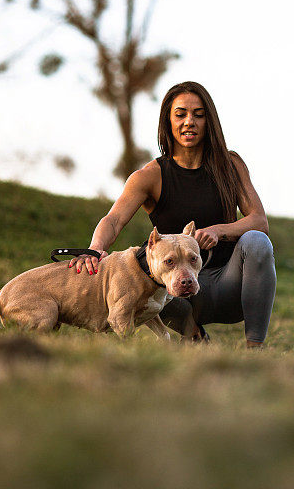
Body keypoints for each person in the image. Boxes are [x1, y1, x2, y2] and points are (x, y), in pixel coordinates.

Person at [69, 80, 277, 348]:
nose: (189, 122)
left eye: (198, 115)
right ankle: (194, 335)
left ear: (208, 121)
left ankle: (255, 349)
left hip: (229, 286)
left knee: (257, 242)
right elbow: (114, 219)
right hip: (173, 297)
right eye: (180, 115)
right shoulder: (150, 176)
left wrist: (218, 230)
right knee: (141, 262)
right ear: (168, 121)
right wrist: (95, 248)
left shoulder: (231, 165)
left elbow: (259, 221)